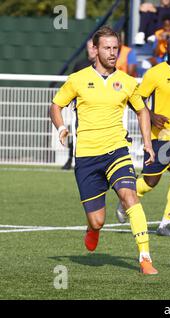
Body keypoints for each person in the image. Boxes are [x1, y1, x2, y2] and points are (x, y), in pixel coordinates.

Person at [49, 26, 158, 275]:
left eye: (115, 48)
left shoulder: (128, 82)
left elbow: (142, 110)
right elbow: (55, 106)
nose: (112, 53)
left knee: (130, 197)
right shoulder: (77, 79)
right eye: (107, 48)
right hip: (87, 157)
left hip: (117, 150)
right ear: (95, 49)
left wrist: (148, 143)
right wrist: (61, 128)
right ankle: (93, 229)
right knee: (97, 219)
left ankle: (145, 258)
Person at [116, 36, 170, 236]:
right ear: (167, 49)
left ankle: (164, 225)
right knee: (150, 182)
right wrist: (151, 115)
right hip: (161, 135)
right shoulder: (155, 73)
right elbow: (136, 99)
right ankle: (124, 201)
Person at [62, 39, 98, 170]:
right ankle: (71, 159)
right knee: (76, 132)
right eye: (90, 47)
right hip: (81, 108)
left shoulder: (103, 67)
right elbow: (72, 85)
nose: (93, 50)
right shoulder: (80, 64)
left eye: (94, 47)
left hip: (98, 108)